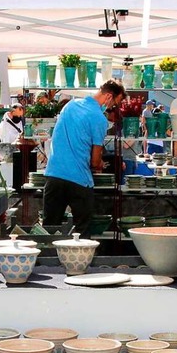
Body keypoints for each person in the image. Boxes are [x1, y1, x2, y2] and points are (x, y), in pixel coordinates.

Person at [42, 80, 126, 236]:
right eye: (115, 103)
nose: (113, 108)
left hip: (54, 174)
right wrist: (100, 163)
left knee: (49, 229)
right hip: (79, 179)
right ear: (108, 96)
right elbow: (95, 162)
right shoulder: (99, 119)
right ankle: (79, 260)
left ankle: (48, 259)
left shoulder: (70, 106)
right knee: (82, 231)